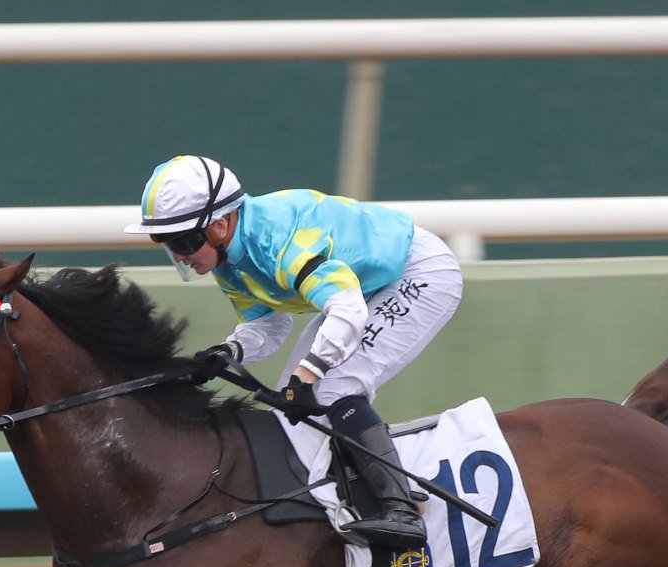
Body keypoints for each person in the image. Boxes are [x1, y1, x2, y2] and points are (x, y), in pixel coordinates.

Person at [125, 154, 464, 546]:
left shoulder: (278, 240)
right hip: (363, 288)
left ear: (220, 225)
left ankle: (402, 509)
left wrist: (307, 377)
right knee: (291, 410)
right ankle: (348, 496)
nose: (181, 255)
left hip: (416, 272)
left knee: (332, 386)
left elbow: (347, 308)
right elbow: (268, 325)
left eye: (185, 241)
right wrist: (228, 350)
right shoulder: (229, 260)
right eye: (169, 244)